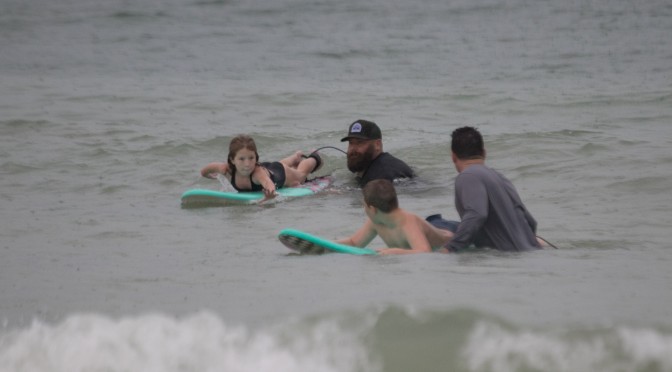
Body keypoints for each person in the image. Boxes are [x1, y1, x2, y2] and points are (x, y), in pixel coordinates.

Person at [439, 126, 542, 252]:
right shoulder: (500, 178)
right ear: (484, 153)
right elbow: (530, 221)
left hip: (507, 259)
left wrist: (450, 248)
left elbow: (477, 214)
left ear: (453, 157)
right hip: (530, 253)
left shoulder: (467, 176)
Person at [336, 179, 453, 255]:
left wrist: (396, 252)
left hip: (452, 232)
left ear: (372, 209)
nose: (364, 209)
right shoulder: (376, 221)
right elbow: (354, 243)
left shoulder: (408, 222)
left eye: (364, 206)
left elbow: (424, 252)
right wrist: (324, 245)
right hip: (430, 227)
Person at [200, 134, 322, 201]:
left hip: (281, 174)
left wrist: (268, 197)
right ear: (232, 160)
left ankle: (315, 157)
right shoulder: (225, 169)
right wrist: (214, 176)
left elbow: (270, 186)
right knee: (277, 165)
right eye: (241, 159)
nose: (247, 164)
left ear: (256, 158)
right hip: (270, 169)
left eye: (251, 158)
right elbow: (204, 171)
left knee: (300, 175)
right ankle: (295, 157)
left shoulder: (257, 174)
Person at [341, 120, 414, 186]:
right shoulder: (379, 165)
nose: (353, 149)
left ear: (377, 144)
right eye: (351, 143)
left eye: (360, 143)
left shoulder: (381, 177)